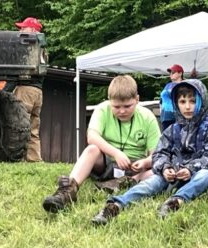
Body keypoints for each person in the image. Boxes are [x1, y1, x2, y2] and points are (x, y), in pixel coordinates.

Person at [91, 79, 208, 225]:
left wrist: (191, 169)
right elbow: (159, 154)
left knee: (206, 175)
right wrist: (166, 168)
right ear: (176, 103)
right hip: (172, 174)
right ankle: (115, 205)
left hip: (196, 173)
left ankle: (175, 201)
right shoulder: (173, 129)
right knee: (150, 182)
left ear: (201, 101)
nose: (187, 107)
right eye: (182, 101)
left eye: (192, 101)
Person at [42, 75, 161, 213]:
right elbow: (91, 136)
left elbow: (156, 154)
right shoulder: (102, 109)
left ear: (137, 100)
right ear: (109, 101)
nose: (122, 111)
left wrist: (145, 163)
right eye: (116, 106)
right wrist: (116, 153)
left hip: (134, 168)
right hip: (106, 163)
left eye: (127, 106)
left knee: (158, 170)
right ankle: (68, 191)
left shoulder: (148, 117)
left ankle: (123, 183)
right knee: (92, 149)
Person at [13, 17, 47, 162]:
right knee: (33, 128)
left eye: (23, 28)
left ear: (32, 30)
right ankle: (34, 159)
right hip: (38, 91)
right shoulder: (42, 47)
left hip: (26, 89)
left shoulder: (29, 45)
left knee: (19, 125)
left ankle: (17, 158)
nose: (20, 30)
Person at [160, 64, 184, 131]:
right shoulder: (168, 85)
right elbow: (161, 101)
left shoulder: (183, 85)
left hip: (176, 117)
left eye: (173, 72)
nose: (171, 74)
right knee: (165, 139)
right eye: (170, 73)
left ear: (180, 73)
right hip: (164, 117)